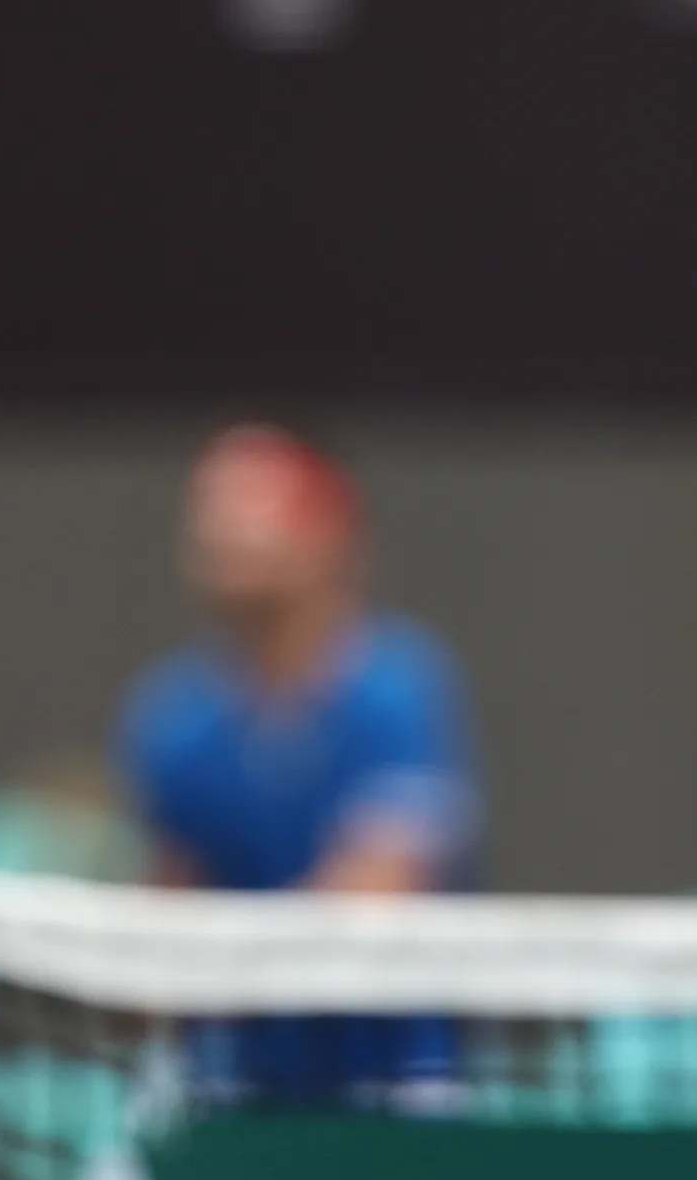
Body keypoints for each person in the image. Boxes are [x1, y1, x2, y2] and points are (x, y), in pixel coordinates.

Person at [116, 422, 482, 1096]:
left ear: (325, 533)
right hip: (229, 1095)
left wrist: (214, 962)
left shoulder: (399, 692)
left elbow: (372, 906)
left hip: (396, 1088)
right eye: (209, 510)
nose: (220, 531)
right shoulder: (171, 719)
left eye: (252, 507)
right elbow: (163, 942)